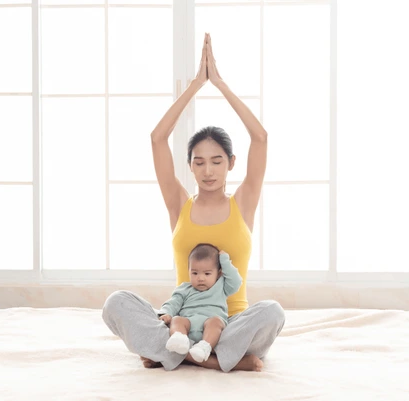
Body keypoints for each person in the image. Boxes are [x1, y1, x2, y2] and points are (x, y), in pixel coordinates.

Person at [102, 33, 285, 372]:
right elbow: (157, 138)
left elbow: (260, 137)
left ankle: (177, 355)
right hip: (181, 326)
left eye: (216, 161)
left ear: (231, 163)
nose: (208, 170)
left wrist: (220, 83)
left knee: (273, 312)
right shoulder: (179, 205)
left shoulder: (243, 202)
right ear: (190, 166)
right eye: (199, 162)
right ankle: (207, 358)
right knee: (116, 303)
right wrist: (195, 86)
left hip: (231, 325)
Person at [160, 244, 242, 364]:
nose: (200, 278)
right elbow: (173, 303)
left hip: (211, 327)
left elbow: (236, 282)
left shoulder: (221, 287)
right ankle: (179, 339)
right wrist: (166, 313)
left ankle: (204, 346)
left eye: (207, 274)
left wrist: (225, 262)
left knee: (216, 322)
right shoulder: (184, 289)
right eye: (195, 273)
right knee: (177, 320)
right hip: (188, 324)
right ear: (189, 272)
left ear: (218, 274)